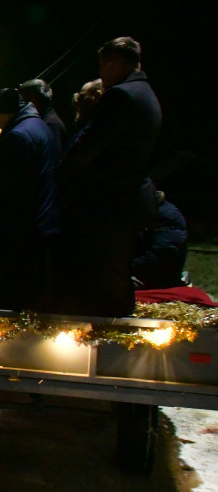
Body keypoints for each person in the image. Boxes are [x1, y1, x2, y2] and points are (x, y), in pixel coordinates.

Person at [57, 37, 163, 317]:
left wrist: (60, 174)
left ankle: (108, 338)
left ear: (113, 62)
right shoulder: (145, 92)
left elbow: (88, 147)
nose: (102, 75)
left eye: (103, 66)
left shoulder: (121, 96)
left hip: (110, 204)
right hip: (125, 202)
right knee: (114, 278)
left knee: (104, 282)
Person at [0, 88, 60, 312]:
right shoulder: (40, 127)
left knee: (12, 306)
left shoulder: (18, 136)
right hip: (41, 229)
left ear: (5, 113)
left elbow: (8, 190)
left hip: (20, 236)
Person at [132, 188, 188, 289]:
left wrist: (126, 269)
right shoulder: (141, 212)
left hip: (155, 277)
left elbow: (160, 256)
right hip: (136, 270)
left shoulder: (168, 216)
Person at [19, 78, 68, 150]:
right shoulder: (44, 120)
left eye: (24, 100)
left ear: (33, 100)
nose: (21, 105)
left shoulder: (51, 124)